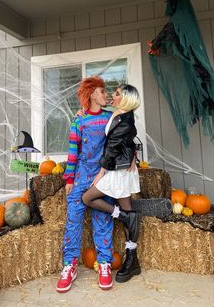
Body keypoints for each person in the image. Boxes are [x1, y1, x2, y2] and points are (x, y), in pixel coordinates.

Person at [56, 76, 115, 293]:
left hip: (103, 176)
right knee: (73, 219)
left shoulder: (111, 118)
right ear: (91, 94)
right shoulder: (78, 120)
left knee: (103, 219)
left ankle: (105, 264)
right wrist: (69, 179)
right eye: (101, 91)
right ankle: (69, 265)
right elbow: (73, 151)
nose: (105, 95)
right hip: (82, 175)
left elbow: (121, 137)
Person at [82, 84, 142, 283]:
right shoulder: (119, 113)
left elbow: (113, 147)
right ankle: (125, 218)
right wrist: (82, 111)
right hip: (121, 167)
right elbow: (129, 140)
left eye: (116, 94)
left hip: (118, 170)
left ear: (123, 98)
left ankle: (131, 258)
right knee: (129, 214)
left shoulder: (125, 119)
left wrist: (100, 173)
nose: (112, 95)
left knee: (88, 197)